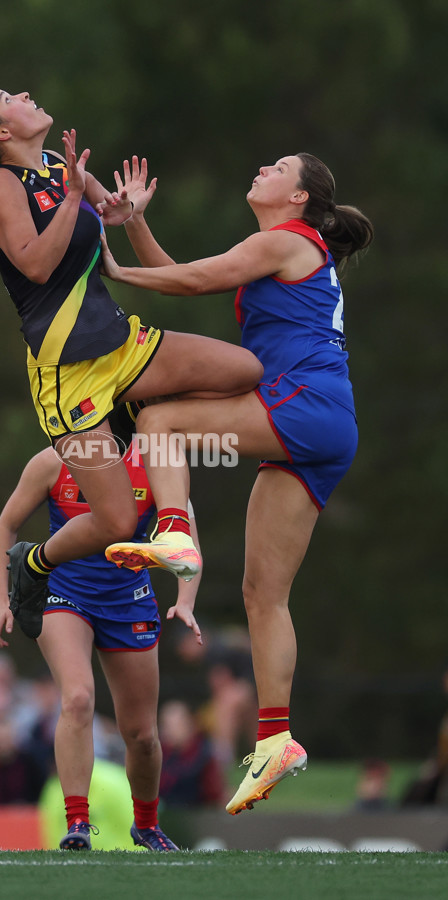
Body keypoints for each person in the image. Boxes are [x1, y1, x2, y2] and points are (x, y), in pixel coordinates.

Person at [99, 152, 373, 815]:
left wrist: (112, 268)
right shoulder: (286, 244)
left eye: (277, 167)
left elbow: (197, 282)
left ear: (299, 196)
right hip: (325, 420)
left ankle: (173, 534)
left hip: (305, 406)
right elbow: (188, 274)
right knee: (262, 594)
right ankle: (276, 738)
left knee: (159, 418)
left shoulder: (283, 239)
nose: (262, 168)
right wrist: (135, 226)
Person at [0, 88, 263, 642]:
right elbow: (37, 267)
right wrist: (74, 198)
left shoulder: (56, 165)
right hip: (68, 374)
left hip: (122, 348)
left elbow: (113, 215)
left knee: (243, 370)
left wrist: (127, 210)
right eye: (8, 97)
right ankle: (35, 564)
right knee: (117, 524)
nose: (24, 94)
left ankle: (148, 427)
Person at [0, 407, 203, 852]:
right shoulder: (52, 460)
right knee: (78, 698)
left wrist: (185, 602)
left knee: (142, 734)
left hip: (129, 600)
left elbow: (187, 543)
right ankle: (78, 823)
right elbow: (6, 525)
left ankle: (147, 826)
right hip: (62, 592)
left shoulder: (159, 462)